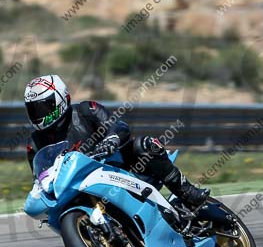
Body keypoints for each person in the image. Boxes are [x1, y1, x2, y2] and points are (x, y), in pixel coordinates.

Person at [24, 75, 209, 210]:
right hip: (77, 187)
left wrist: (111, 140)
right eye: (33, 110)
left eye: (43, 107)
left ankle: (187, 192)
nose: (39, 114)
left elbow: (118, 126)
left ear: (61, 98)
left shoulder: (86, 111)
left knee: (144, 145)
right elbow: (39, 179)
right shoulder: (35, 143)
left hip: (118, 167)